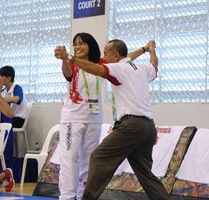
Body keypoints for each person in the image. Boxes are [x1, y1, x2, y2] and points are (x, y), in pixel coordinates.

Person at [55, 40, 172, 200]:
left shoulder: (118, 68)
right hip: (148, 127)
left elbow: (95, 69)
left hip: (130, 126)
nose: (103, 57)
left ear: (116, 56)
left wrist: (69, 57)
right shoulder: (141, 68)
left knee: (97, 157)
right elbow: (154, 66)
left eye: (105, 54)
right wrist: (149, 50)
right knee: (145, 173)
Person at [54, 32, 105, 200]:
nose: (77, 46)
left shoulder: (100, 64)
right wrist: (64, 59)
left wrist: (143, 49)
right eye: (75, 43)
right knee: (69, 159)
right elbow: (67, 73)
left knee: (89, 161)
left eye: (82, 43)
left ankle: (84, 195)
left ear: (90, 45)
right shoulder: (72, 64)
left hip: (94, 119)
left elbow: (124, 59)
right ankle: (67, 197)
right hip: (72, 119)